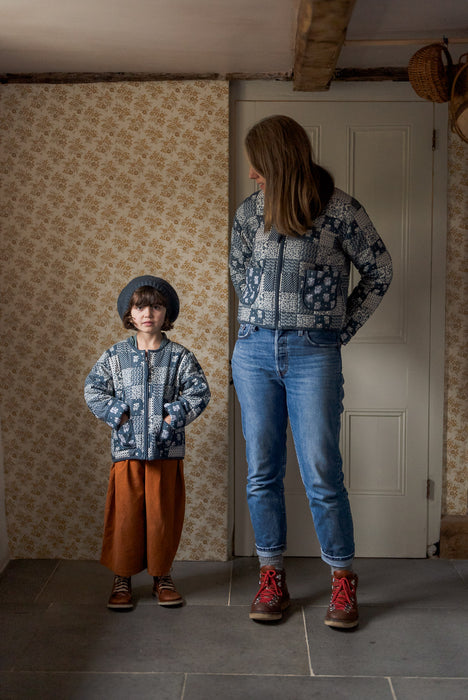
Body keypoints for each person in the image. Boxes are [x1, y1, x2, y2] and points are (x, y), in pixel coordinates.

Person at [230, 115, 393, 629]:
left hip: (311, 355)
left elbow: (379, 270)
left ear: (276, 159)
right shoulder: (248, 214)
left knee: (321, 472)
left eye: (257, 162)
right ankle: (270, 576)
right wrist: (259, 318)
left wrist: (335, 330)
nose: (251, 172)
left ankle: (342, 581)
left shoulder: (339, 209)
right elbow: (238, 271)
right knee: (262, 471)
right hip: (253, 352)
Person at [84, 275, 210, 610]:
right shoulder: (115, 355)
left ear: (166, 313)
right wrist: (121, 418)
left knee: (161, 517)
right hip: (126, 451)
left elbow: (199, 392)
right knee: (125, 516)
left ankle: (162, 576)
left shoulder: (180, 357)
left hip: (166, 453)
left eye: (155, 306)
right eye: (140, 306)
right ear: (130, 313)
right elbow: (93, 389)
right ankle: (122, 578)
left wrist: (171, 419)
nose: (147, 313)